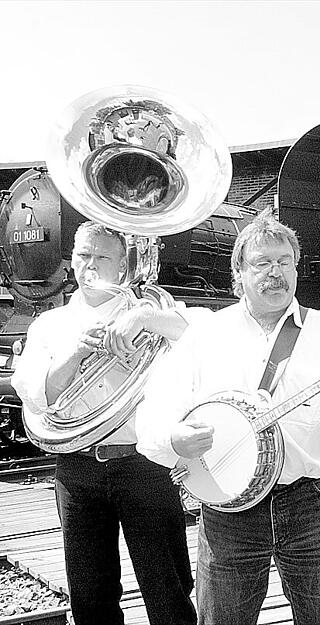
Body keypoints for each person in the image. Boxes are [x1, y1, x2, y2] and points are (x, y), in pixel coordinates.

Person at [135, 213, 320, 625]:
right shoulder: (205, 335)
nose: (276, 273)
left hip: (311, 506)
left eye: (284, 262)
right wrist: (173, 439)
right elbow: (155, 410)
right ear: (239, 273)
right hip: (228, 511)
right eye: (262, 263)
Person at [11, 221, 200, 625]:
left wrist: (145, 319)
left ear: (121, 266)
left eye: (102, 257)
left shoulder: (148, 309)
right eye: (84, 255)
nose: (91, 265)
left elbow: (198, 337)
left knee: (167, 589)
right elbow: (33, 393)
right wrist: (77, 354)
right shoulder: (50, 325)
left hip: (143, 464)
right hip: (77, 469)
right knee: (90, 595)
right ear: (70, 262)